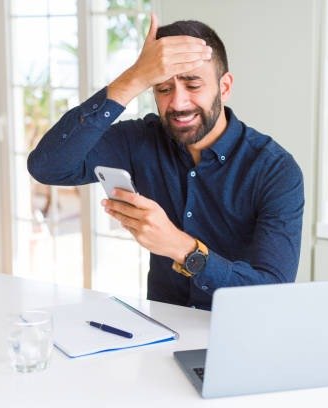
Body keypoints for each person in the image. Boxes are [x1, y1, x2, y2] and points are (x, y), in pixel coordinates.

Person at [27, 15, 304, 310]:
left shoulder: (276, 171)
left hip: (241, 333)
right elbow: (47, 166)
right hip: (161, 332)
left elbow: (271, 291)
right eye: (162, 88)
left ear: (224, 87)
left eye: (193, 85)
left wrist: (180, 247)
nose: (177, 103)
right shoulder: (140, 140)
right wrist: (133, 78)